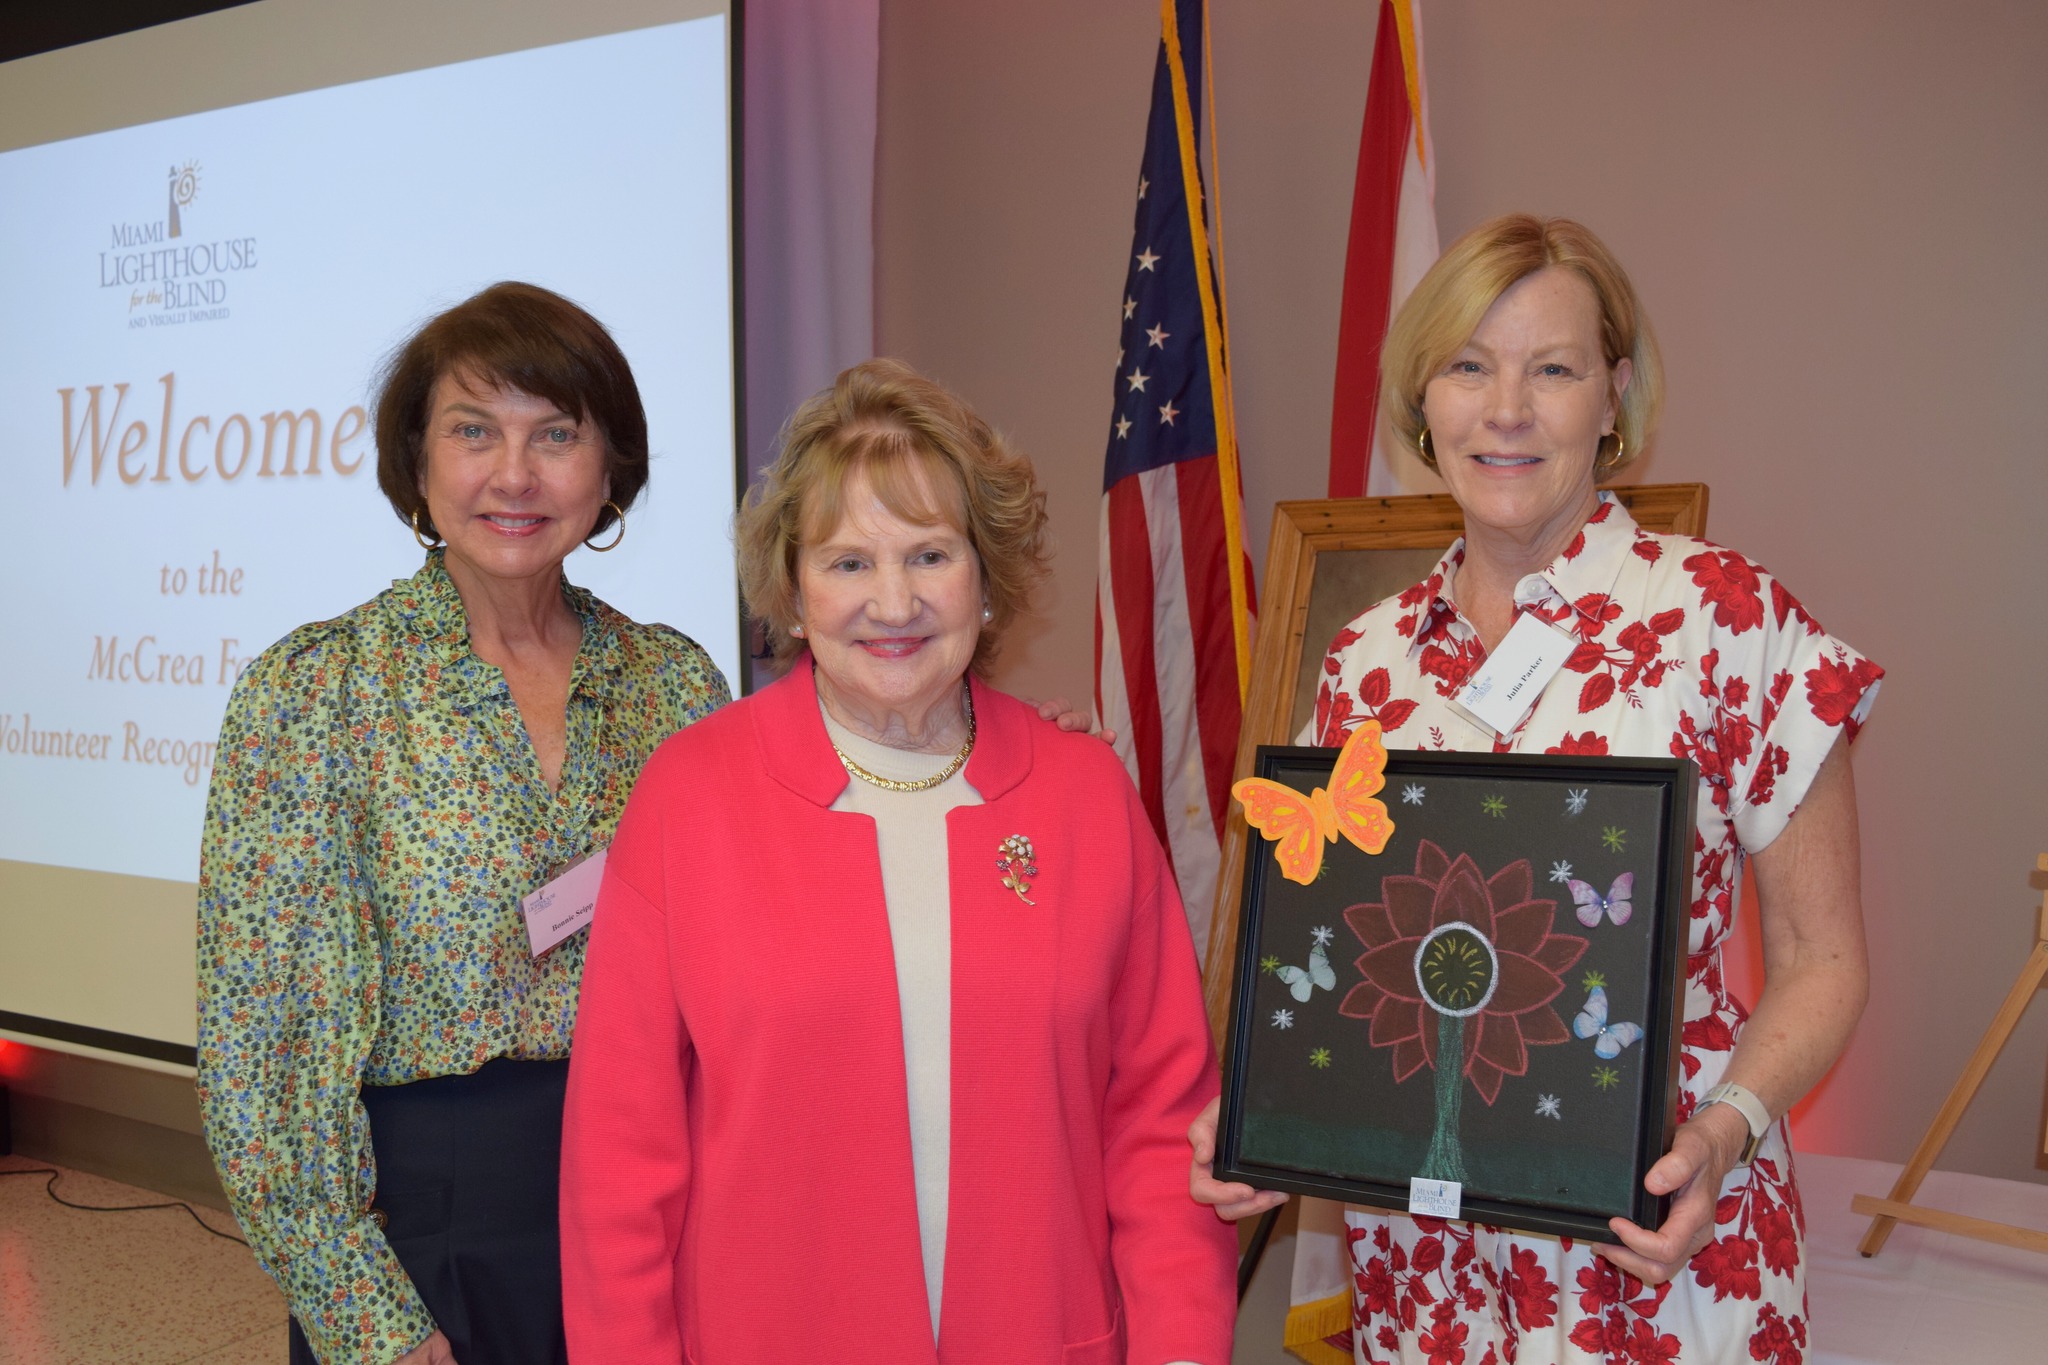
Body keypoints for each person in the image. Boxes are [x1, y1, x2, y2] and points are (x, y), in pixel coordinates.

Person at [1189, 215, 1879, 1363]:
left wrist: (1719, 1136)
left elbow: (1826, 962)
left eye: (1549, 369)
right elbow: (1331, 956)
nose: (1503, 409)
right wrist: (1271, 1113)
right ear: (1423, 398)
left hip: (1658, 1244)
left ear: (1611, 397)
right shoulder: (1363, 659)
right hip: (1426, 1287)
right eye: (1467, 365)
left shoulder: (1725, 619)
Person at [558, 358, 1237, 1363]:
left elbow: (1157, 1125)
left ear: (985, 580)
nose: (892, 601)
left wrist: (1178, 1348)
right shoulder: (689, 799)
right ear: (791, 594)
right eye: (845, 563)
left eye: (929, 556)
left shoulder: (1083, 796)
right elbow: (620, 1161)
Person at [196, 282, 731, 1365]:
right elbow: (264, 1055)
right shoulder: (319, 692)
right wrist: (371, 1322)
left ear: (609, 466)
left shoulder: (675, 688)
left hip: (651, 1215)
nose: (515, 475)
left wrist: (983, 737)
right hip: (425, 1233)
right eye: (474, 430)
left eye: (557, 434)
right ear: (418, 460)